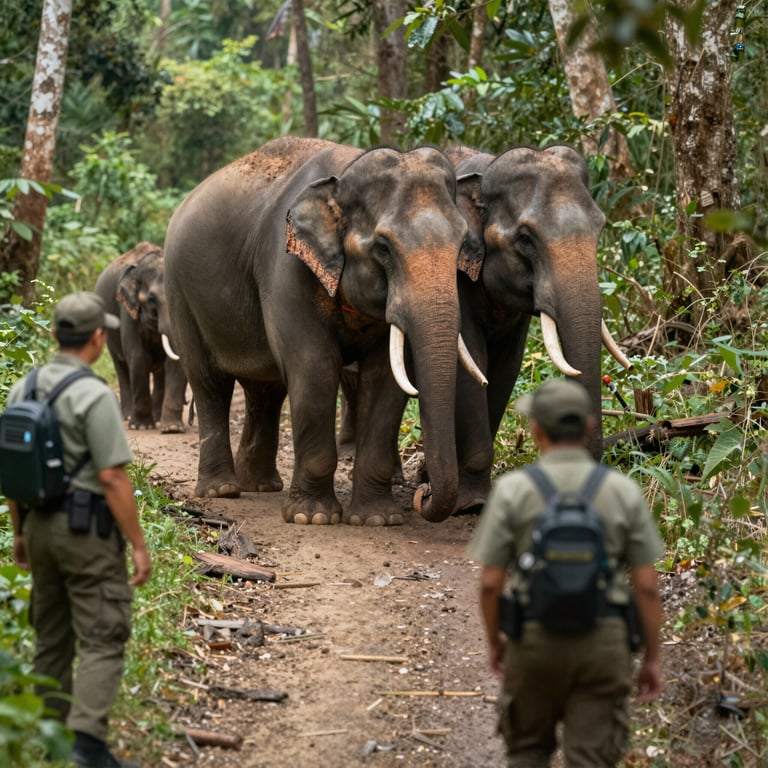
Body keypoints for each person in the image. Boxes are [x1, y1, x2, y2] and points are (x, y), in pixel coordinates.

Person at [468, 378, 664, 768]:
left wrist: (496, 642)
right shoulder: (622, 490)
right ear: (589, 427)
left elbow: (491, 583)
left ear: (536, 429)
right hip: (604, 643)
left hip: (534, 640)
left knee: (527, 752)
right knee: (591, 759)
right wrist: (652, 659)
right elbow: (647, 588)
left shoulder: (512, 490)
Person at [6, 292, 152, 768]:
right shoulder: (92, 395)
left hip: (39, 528)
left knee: (50, 636)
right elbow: (111, 475)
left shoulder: (22, 389)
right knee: (103, 634)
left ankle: (51, 738)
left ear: (53, 334)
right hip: (85, 531)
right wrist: (137, 544)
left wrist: (20, 533)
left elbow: (12, 470)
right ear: (97, 338)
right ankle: (86, 746)